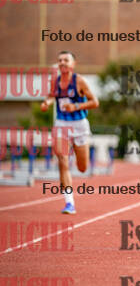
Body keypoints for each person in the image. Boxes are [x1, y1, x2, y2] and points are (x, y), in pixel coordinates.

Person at [41, 51, 99, 214]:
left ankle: (73, 163)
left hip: (79, 125)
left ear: (73, 64)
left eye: (66, 60)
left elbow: (95, 102)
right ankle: (69, 203)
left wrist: (76, 106)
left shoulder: (79, 81)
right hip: (61, 124)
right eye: (60, 60)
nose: (62, 63)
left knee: (82, 167)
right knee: (62, 161)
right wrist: (47, 102)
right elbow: (51, 96)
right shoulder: (55, 81)